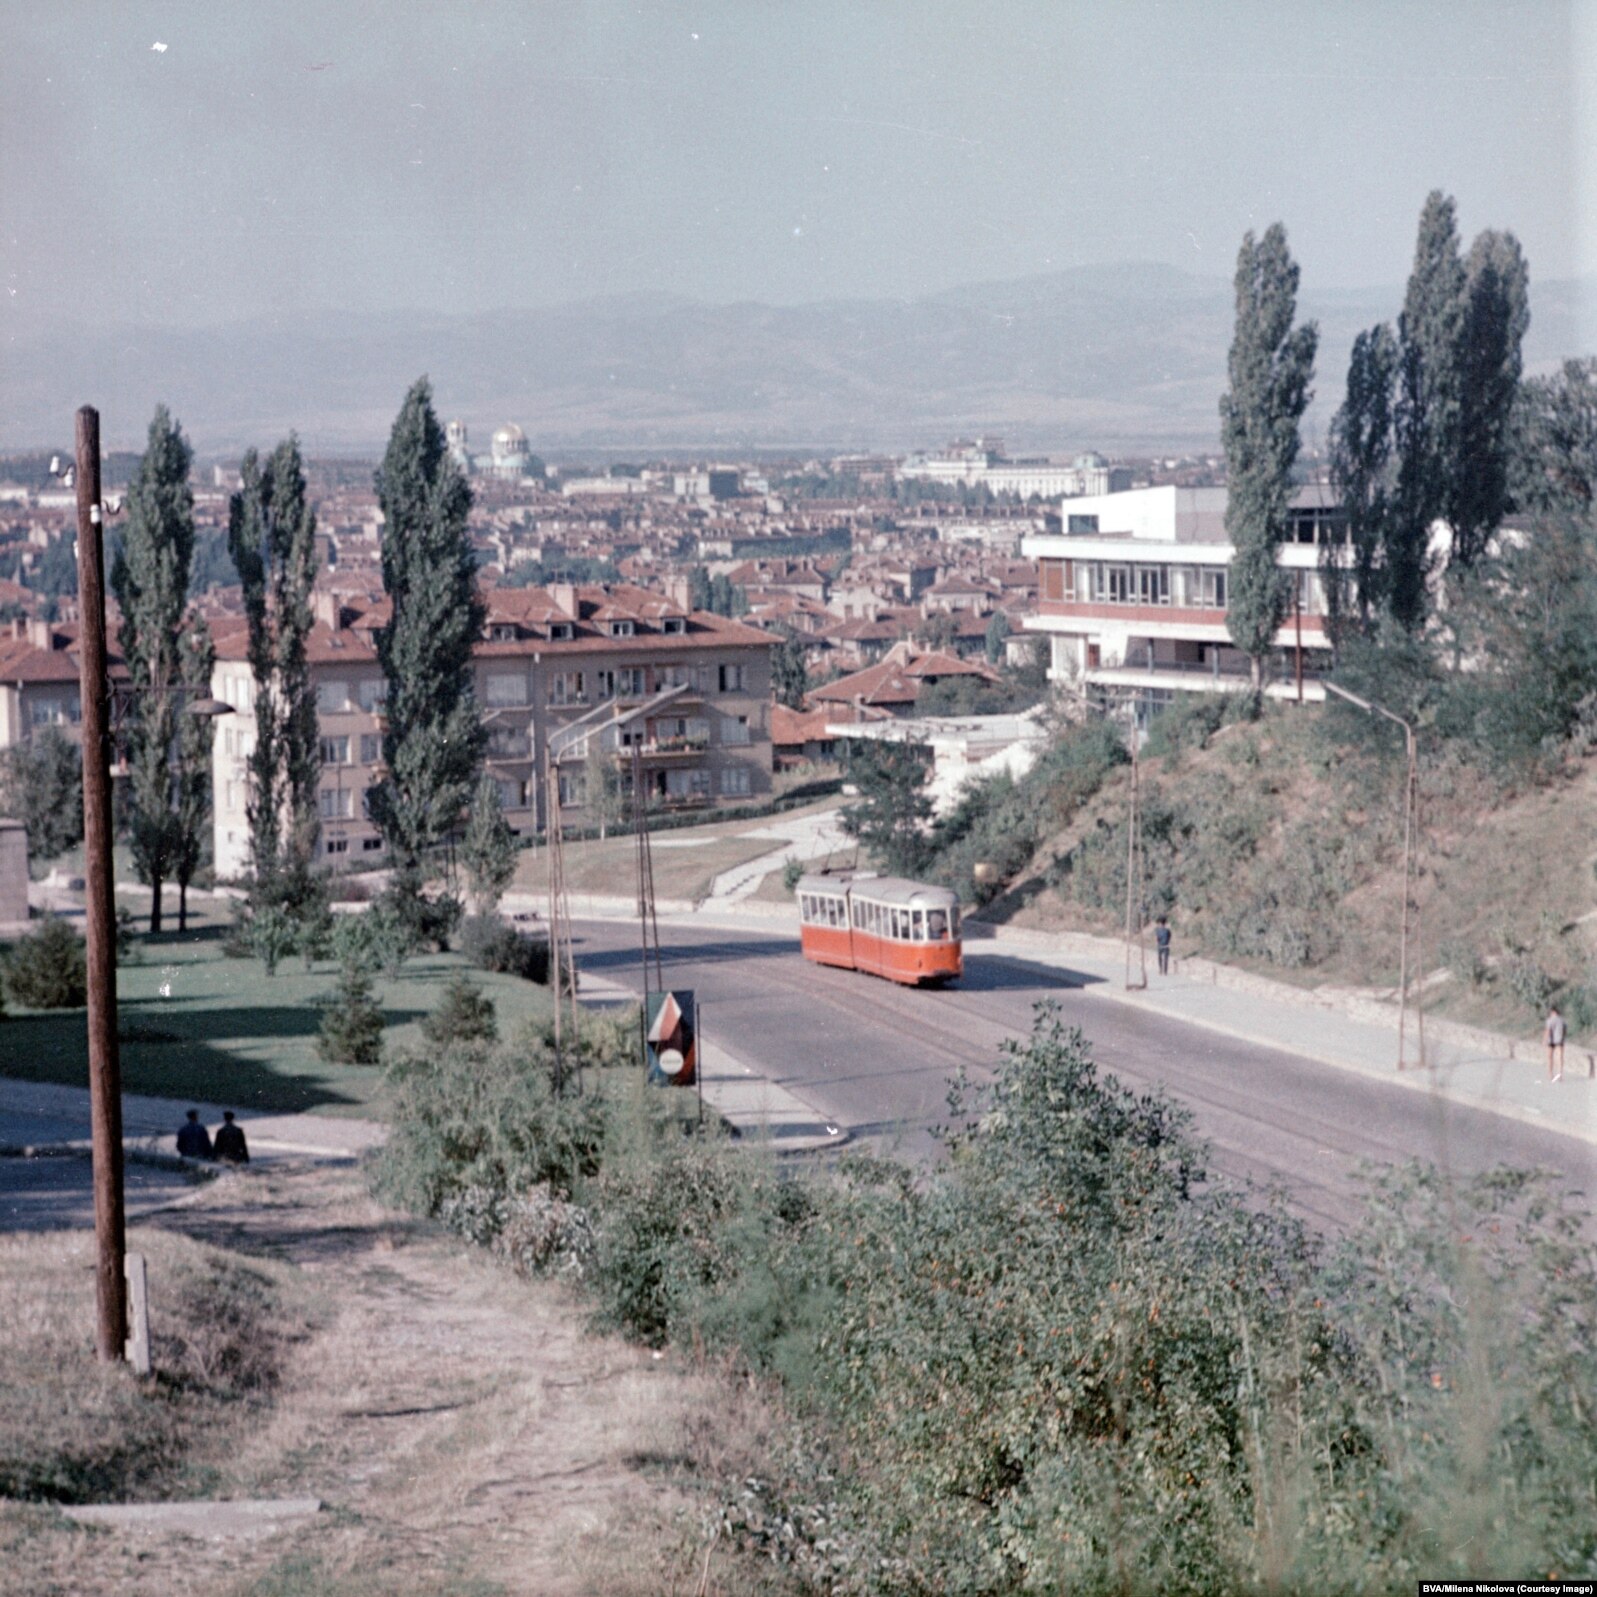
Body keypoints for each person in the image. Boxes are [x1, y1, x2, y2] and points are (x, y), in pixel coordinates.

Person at [1544, 1004, 1566, 1082]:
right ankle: (1560, 1074)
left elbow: (1548, 1031)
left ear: (1552, 1012)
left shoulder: (1550, 1020)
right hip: (1559, 1040)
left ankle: (1551, 1074)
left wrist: (1544, 1040)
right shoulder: (1562, 1020)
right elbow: (1564, 1031)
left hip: (1551, 1041)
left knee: (1550, 1058)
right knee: (1560, 1058)